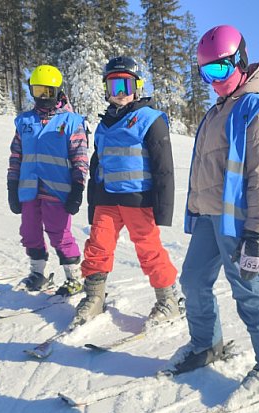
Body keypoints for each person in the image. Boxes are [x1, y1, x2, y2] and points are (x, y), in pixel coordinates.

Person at [173, 25, 259, 394]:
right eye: (207, 73)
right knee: (193, 280)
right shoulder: (219, 109)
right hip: (210, 216)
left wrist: (256, 233)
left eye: (221, 70)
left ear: (240, 62)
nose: (215, 80)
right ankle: (206, 343)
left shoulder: (255, 108)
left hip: (238, 221)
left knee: (246, 289)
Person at [71, 56, 180, 327]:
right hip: (107, 198)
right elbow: (97, 165)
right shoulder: (104, 124)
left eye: (125, 85)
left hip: (138, 199)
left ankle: (168, 300)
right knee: (97, 246)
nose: (119, 93)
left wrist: (163, 209)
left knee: (148, 249)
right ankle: (95, 297)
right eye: (113, 86)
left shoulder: (150, 119)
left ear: (137, 87)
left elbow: (164, 168)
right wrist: (92, 203)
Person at [6, 65, 88, 295]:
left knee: (59, 234)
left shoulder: (72, 121)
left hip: (58, 191)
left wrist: (78, 188)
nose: (42, 97)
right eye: (37, 90)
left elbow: (80, 157)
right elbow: (16, 155)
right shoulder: (25, 121)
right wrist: (12, 186)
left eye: (48, 92)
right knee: (29, 233)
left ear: (58, 91)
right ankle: (37, 273)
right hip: (29, 189)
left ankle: (74, 278)